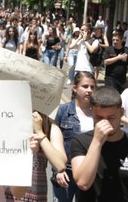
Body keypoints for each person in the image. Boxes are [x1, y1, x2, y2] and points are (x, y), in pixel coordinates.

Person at [71, 86, 128, 202]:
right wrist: (97, 141)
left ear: (121, 113)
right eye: (99, 118)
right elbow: (83, 182)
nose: (105, 123)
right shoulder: (80, 142)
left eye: (111, 118)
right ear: (92, 112)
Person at [52, 71, 97, 202]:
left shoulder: (98, 112)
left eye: (92, 87)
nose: (89, 90)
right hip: (66, 172)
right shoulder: (62, 111)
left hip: (89, 171)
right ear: (75, 88)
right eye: (85, 86)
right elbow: (55, 144)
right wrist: (57, 171)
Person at [5, 111, 68, 201]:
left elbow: (60, 164)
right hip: (7, 192)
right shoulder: (9, 119)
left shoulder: (49, 125)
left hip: (35, 193)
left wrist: (40, 132)